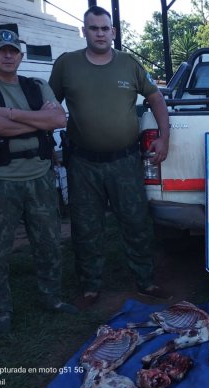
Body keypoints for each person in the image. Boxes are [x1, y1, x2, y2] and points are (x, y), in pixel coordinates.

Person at [48, 6, 171, 309]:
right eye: (94, 28)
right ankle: (90, 288)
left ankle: (146, 282)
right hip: (83, 164)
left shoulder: (129, 64)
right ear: (85, 31)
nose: (100, 33)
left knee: (136, 223)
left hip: (125, 161)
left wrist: (165, 137)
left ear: (113, 32)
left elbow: (155, 98)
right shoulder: (67, 65)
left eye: (105, 28)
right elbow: (48, 108)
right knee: (85, 227)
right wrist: (47, 145)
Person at [0, 28, 78, 333]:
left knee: (49, 242)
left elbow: (57, 120)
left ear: (21, 55)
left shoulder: (37, 85)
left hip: (40, 176)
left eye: (13, 51)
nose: (8, 55)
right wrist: (33, 121)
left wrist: (9, 115)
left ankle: (51, 297)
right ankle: (1, 309)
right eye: (1, 50)